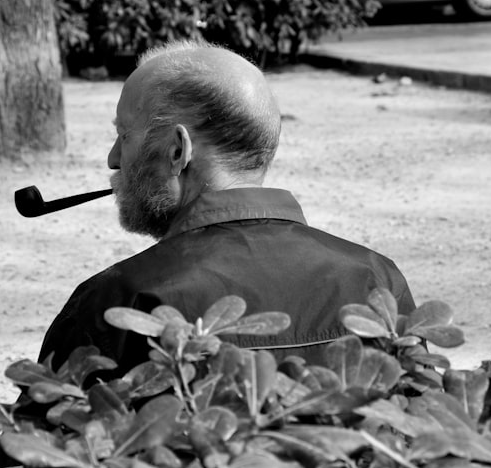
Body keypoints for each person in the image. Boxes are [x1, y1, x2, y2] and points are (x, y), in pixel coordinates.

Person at [39, 40, 415, 373]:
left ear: (177, 151)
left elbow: (47, 442)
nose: (114, 158)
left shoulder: (120, 302)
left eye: (124, 135)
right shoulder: (377, 279)